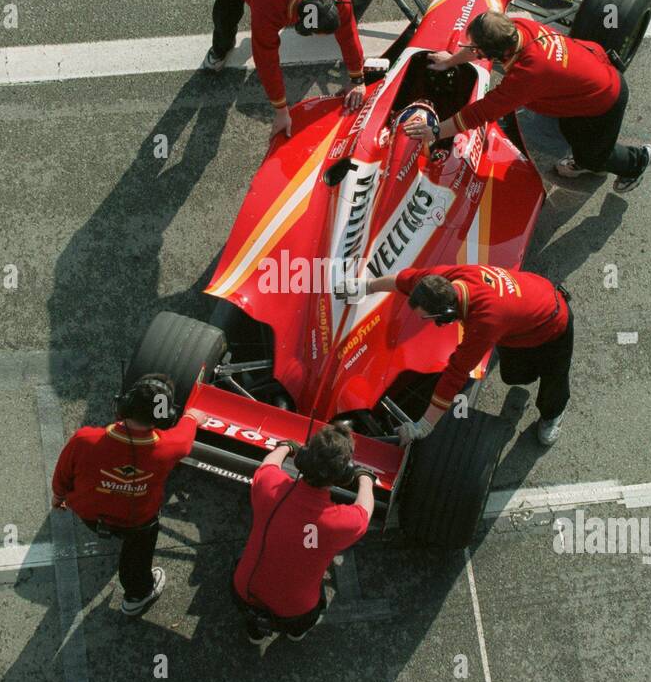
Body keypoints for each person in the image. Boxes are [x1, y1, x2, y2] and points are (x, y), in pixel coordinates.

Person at [403, 9, 651, 192]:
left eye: (476, 47)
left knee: (595, 156)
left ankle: (637, 161)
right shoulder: (514, 27)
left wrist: (435, 132)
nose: (470, 49)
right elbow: (479, 49)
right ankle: (585, 155)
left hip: (603, 99)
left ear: (496, 51)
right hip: (582, 82)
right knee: (569, 129)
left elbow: (480, 113)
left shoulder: (529, 74)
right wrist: (448, 61)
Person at [343, 264, 573, 446]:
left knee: (554, 378)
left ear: (448, 313)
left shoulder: (485, 322)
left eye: (429, 318)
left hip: (552, 324)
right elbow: (403, 280)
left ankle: (553, 414)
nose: (430, 323)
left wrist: (424, 425)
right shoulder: (440, 280)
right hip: (527, 305)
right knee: (513, 376)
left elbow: (455, 374)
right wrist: (367, 286)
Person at [51, 374, 201, 617]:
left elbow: (62, 474)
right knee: (137, 556)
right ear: (165, 417)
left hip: (90, 515)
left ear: (123, 405)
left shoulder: (84, 439)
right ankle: (136, 596)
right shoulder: (170, 447)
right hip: (137, 524)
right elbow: (186, 436)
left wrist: (58, 497)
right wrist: (193, 418)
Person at [204, 0, 367, 137]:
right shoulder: (269, 5)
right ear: (299, 22)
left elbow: (348, 31)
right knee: (227, 13)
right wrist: (281, 110)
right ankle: (220, 50)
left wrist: (357, 78)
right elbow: (266, 59)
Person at [232, 424, 375, 644]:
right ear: (344, 474)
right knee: (301, 621)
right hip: (294, 613)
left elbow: (267, 465)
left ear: (304, 458)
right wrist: (365, 478)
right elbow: (364, 512)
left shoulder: (268, 487)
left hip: (243, 595)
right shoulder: (340, 522)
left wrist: (286, 447)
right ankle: (296, 634)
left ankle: (256, 634)